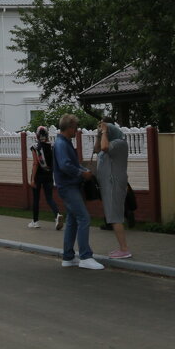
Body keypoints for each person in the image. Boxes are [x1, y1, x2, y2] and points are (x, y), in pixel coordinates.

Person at [53, 115, 103, 270]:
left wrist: (83, 170)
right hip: (68, 187)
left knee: (73, 221)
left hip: (68, 186)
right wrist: (82, 173)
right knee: (84, 218)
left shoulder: (64, 142)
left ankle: (68, 257)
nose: (77, 130)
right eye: (75, 127)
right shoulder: (61, 144)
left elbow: (70, 164)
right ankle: (85, 257)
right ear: (69, 127)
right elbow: (65, 165)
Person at [96, 118, 132, 259]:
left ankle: (124, 249)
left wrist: (104, 131)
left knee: (115, 215)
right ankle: (122, 248)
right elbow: (97, 149)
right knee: (113, 215)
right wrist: (99, 135)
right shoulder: (110, 142)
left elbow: (104, 148)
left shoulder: (119, 143)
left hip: (114, 184)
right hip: (108, 185)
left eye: (106, 132)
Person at [26, 126, 60, 229]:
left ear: (37, 135)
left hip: (38, 176)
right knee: (49, 198)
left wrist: (32, 179)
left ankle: (35, 222)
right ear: (47, 135)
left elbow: (36, 163)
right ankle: (57, 215)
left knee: (36, 199)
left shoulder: (35, 147)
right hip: (49, 174)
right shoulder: (52, 146)